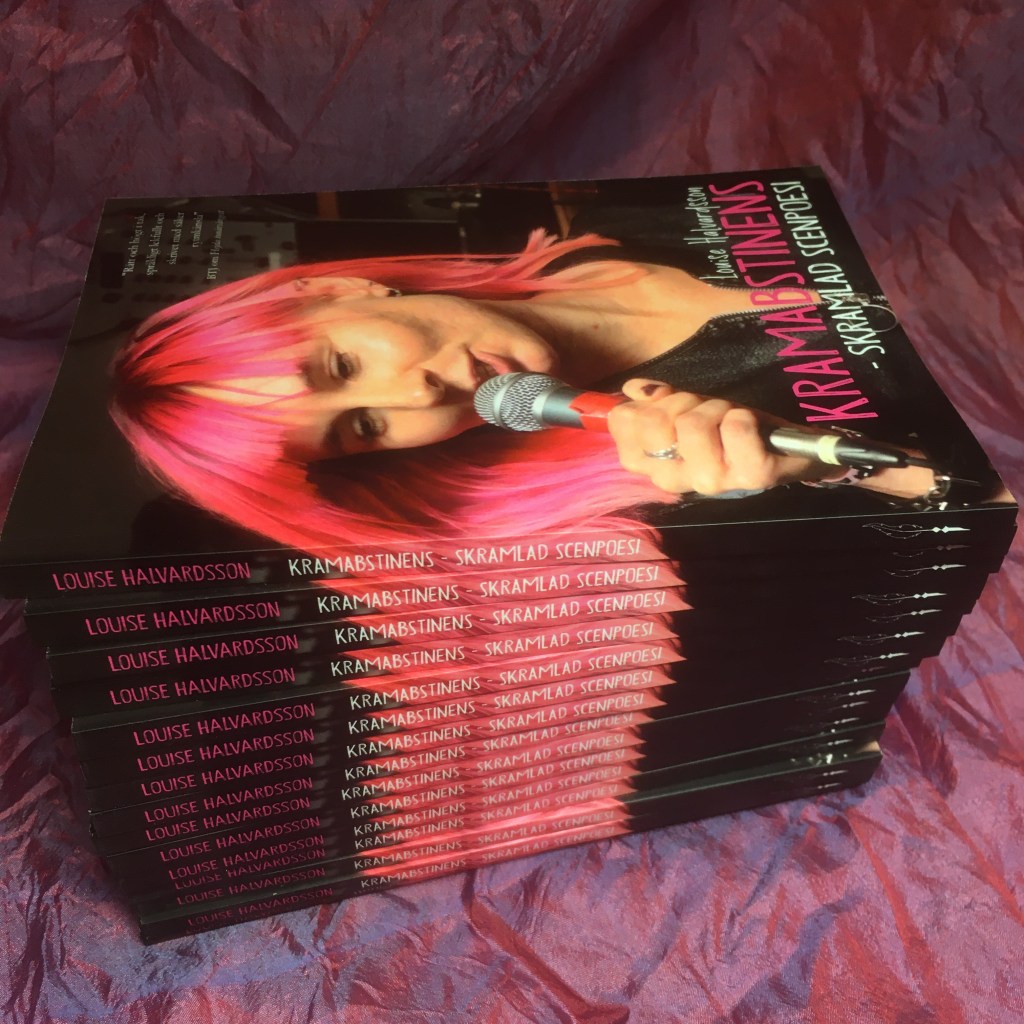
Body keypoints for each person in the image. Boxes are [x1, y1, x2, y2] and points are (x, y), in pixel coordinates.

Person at [109, 229, 962, 560]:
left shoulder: (610, 222)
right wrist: (813, 463)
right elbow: (983, 498)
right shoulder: (663, 474)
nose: (418, 397)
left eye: (340, 367)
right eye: (363, 426)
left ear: (338, 292)